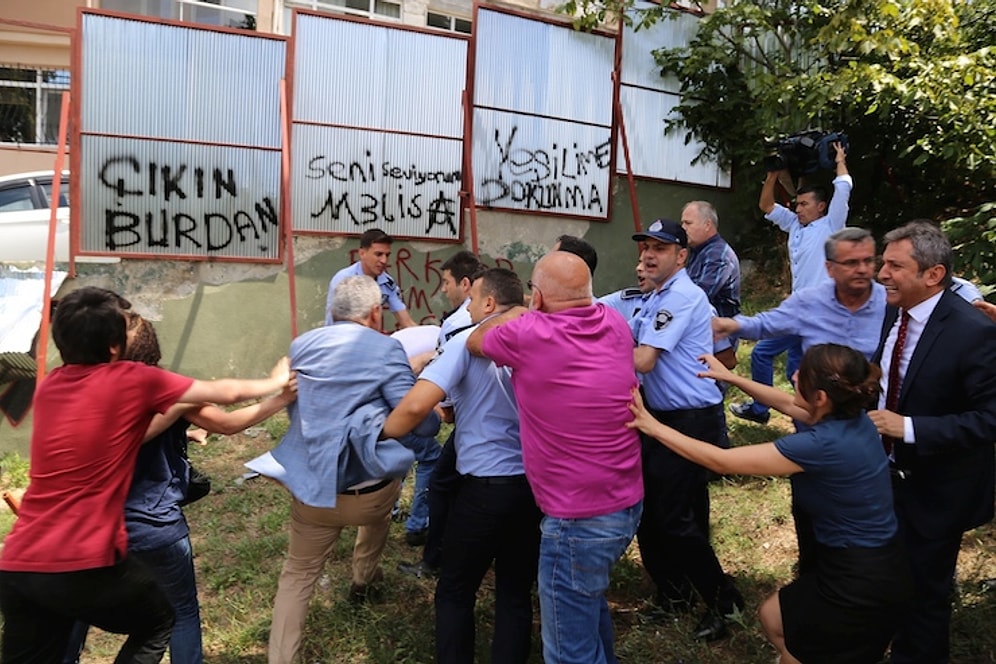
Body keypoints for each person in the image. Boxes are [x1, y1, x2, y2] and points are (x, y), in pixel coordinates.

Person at [0, 286, 291, 664]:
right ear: (113, 349)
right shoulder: (133, 379)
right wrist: (276, 383)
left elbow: (110, 434)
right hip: (81, 559)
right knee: (159, 621)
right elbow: (227, 393)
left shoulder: (52, 384)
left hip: (18, 563)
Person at [628, 343, 913, 664]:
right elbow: (786, 403)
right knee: (773, 617)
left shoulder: (821, 445)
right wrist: (732, 379)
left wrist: (652, 427)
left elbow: (721, 461)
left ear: (821, 398)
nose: (792, 376)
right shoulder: (853, 417)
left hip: (860, 581)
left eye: (801, 375)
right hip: (868, 563)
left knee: (799, 653)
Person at [467, 251, 643, 664]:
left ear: (538, 297)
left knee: (567, 651)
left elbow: (476, 339)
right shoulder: (615, 323)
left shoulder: (527, 333)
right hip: (625, 502)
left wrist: (522, 311)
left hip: (577, 520)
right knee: (587, 601)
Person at [264, 275, 438, 664]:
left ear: (333, 311)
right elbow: (417, 422)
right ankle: (363, 578)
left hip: (312, 489)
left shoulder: (301, 345)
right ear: (376, 313)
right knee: (388, 479)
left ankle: (280, 659)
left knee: (297, 575)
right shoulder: (386, 349)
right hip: (370, 496)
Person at [383, 268, 541, 663]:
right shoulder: (541, 340)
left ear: (489, 303)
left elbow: (419, 406)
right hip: (534, 485)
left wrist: (380, 432)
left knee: (455, 588)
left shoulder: (465, 343)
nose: (467, 307)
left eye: (473, 300)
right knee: (515, 591)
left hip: (484, 486)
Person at [867, 221, 996, 663]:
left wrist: (908, 428)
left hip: (938, 489)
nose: (881, 274)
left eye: (893, 265)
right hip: (885, 477)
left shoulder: (973, 332)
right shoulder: (893, 312)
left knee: (925, 596)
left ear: (933, 274)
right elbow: (890, 375)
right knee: (892, 580)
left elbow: (988, 419)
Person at [629, 218, 742, 641]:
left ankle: (722, 600)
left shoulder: (679, 297)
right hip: (670, 417)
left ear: (682, 256)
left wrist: (593, 360)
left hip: (688, 420)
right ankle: (676, 592)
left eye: (659, 248)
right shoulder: (660, 296)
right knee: (672, 513)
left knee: (672, 517)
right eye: (645, 248)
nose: (648, 255)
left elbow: (643, 360)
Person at [732, 142, 851, 425]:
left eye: (804, 204)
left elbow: (844, 187)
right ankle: (764, 411)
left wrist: (840, 161)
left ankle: (807, 426)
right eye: (797, 204)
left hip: (821, 312)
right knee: (766, 355)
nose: (798, 209)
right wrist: (773, 174)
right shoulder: (795, 225)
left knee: (799, 373)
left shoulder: (832, 225)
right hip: (798, 309)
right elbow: (766, 205)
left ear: (821, 207)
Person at [397, 250, 485, 576]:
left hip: (470, 422)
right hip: (496, 424)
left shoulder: (457, 322)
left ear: (465, 283)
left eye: (446, 282)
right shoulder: (501, 314)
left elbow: (443, 404)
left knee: (444, 484)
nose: (443, 289)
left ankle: (436, 557)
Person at [713, 227, 885, 362]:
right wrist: (733, 325)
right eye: (851, 263)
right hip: (819, 402)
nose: (862, 269)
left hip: (878, 403)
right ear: (829, 268)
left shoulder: (892, 305)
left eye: (868, 261)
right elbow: (766, 325)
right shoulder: (810, 302)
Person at [324, 228, 415, 329]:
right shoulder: (344, 280)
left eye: (387, 255)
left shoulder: (387, 283)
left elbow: (406, 322)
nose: (384, 260)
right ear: (362, 253)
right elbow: (332, 322)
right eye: (378, 254)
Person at [681, 200, 741, 320]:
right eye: (682, 223)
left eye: (688, 223)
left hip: (718, 332)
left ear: (707, 225)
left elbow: (697, 297)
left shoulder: (718, 255)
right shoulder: (698, 250)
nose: (683, 228)